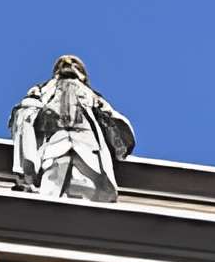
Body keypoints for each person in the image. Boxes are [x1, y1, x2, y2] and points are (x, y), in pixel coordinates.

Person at [9, 56, 135, 203]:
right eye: (62, 64)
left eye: (74, 64)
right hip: (55, 143)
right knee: (53, 180)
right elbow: (27, 110)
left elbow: (110, 118)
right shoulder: (44, 89)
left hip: (88, 147)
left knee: (87, 185)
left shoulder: (92, 96)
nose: (68, 65)